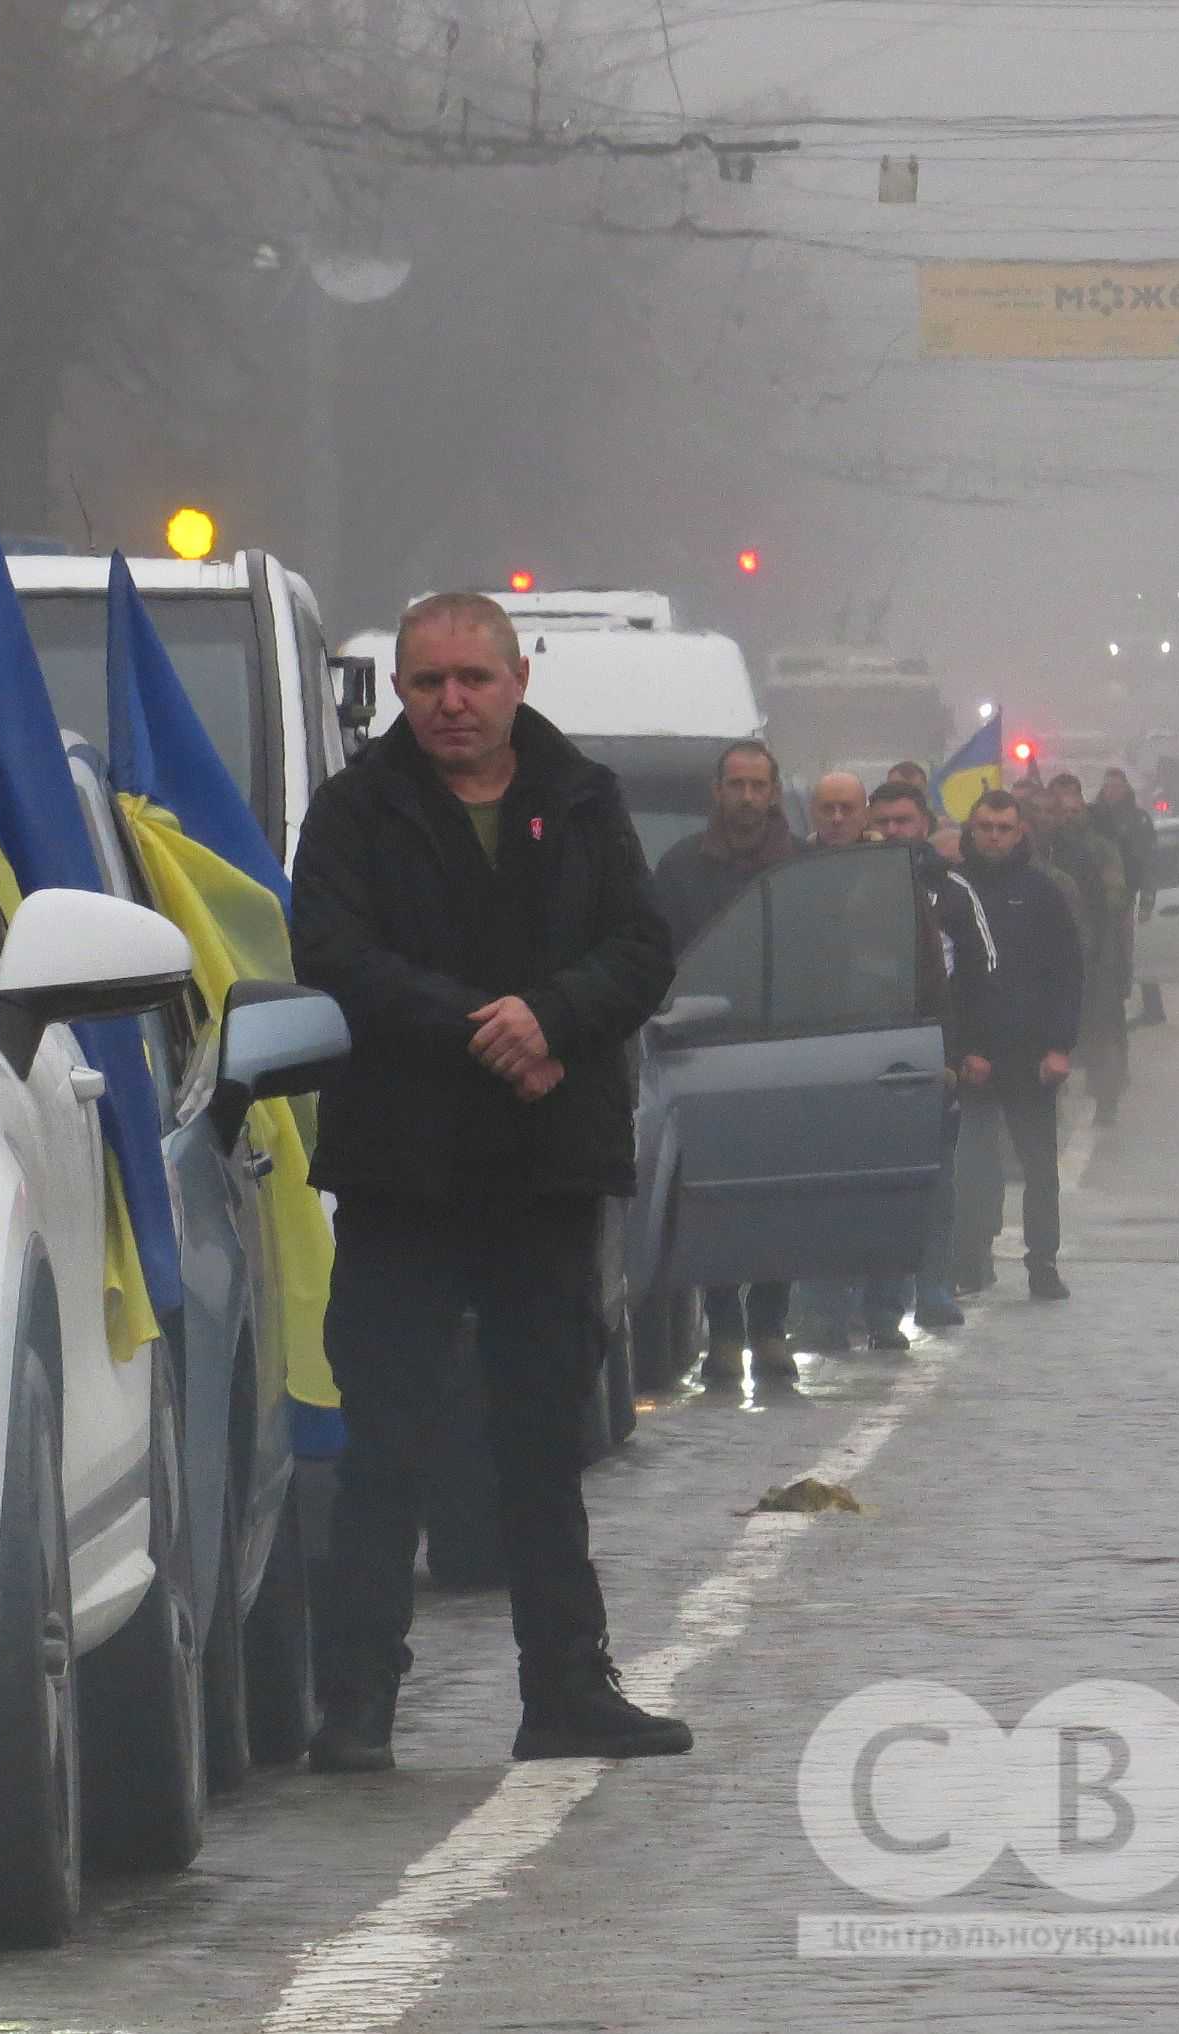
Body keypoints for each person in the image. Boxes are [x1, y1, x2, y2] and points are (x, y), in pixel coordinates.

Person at [292, 590, 690, 1772]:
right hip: (403, 1177)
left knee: (540, 1445)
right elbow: (336, 955)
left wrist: (553, 1018)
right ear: (399, 692)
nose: (452, 702)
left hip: (544, 1171)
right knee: (385, 1447)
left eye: (474, 679)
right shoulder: (354, 811)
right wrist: (488, 1028)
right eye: (428, 683)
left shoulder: (584, 799)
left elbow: (642, 949)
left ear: (518, 680)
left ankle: (565, 1687)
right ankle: (356, 1704)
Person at [649, 739, 798, 1386]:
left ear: (774, 793)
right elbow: (655, 956)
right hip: (703, 1049)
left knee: (779, 1198)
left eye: (757, 786)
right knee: (710, 1197)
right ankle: (724, 1332)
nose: (746, 797)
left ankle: (770, 1326)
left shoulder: (800, 868)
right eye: (735, 785)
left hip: (784, 1053)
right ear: (717, 792)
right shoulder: (681, 869)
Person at [869, 780, 995, 1332]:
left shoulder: (954, 891)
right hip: (866, 1053)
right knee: (873, 1183)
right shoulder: (852, 886)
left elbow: (982, 972)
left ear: (924, 823)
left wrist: (970, 1048)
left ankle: (933, 1287)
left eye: (904, 820)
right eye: (884, 821)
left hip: (934, 1057)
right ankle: (875, 1301)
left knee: (937, 1179)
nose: (894, 830)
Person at [953, 790, 1082, 1302]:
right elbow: (948, 979)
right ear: (971, 830)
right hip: (975, 1058)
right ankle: (971, 1259)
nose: (994, 837)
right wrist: (963, 1049)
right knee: (973, 1167)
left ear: (1020, 832)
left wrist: (1060, 1047)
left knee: (1039, 1168)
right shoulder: (953, 891)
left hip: (1030, 1057)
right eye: (985, 827)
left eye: (1004, 828)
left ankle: (1042, 1262)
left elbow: (1067, 974)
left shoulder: (1041, 892)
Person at [795, 770, 883, 1348]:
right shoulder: (793, 873)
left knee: (871, 1185)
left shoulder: (890, 873)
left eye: (846, 808)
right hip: (812, 1043)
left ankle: (877, 1307)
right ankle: (822, 1309)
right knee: (816, 1186)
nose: (836, 818)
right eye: (826, 808)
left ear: (863, 811)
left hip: (878, 1042)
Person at [1045, 772, 1132, 1126]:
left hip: (1099, 954)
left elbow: (1116, 900)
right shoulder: (1046, 850)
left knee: (1102, 1032)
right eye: (1061, 811)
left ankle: (1106, 1100)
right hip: (1056, 954)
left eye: (1074, 811)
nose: (1068, 818)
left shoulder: (1102, 849)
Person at [1095, 767, 1164, 1026]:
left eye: (1116, 786)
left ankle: (1149, 1008)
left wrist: (1147, 901)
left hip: (1126, 899)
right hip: (1097, 899)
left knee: (1129, 956)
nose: (1110, 791)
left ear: (1125, 789)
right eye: (1107, 786)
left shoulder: (1138, 820)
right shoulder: (1094, 818)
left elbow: (1149, 864)